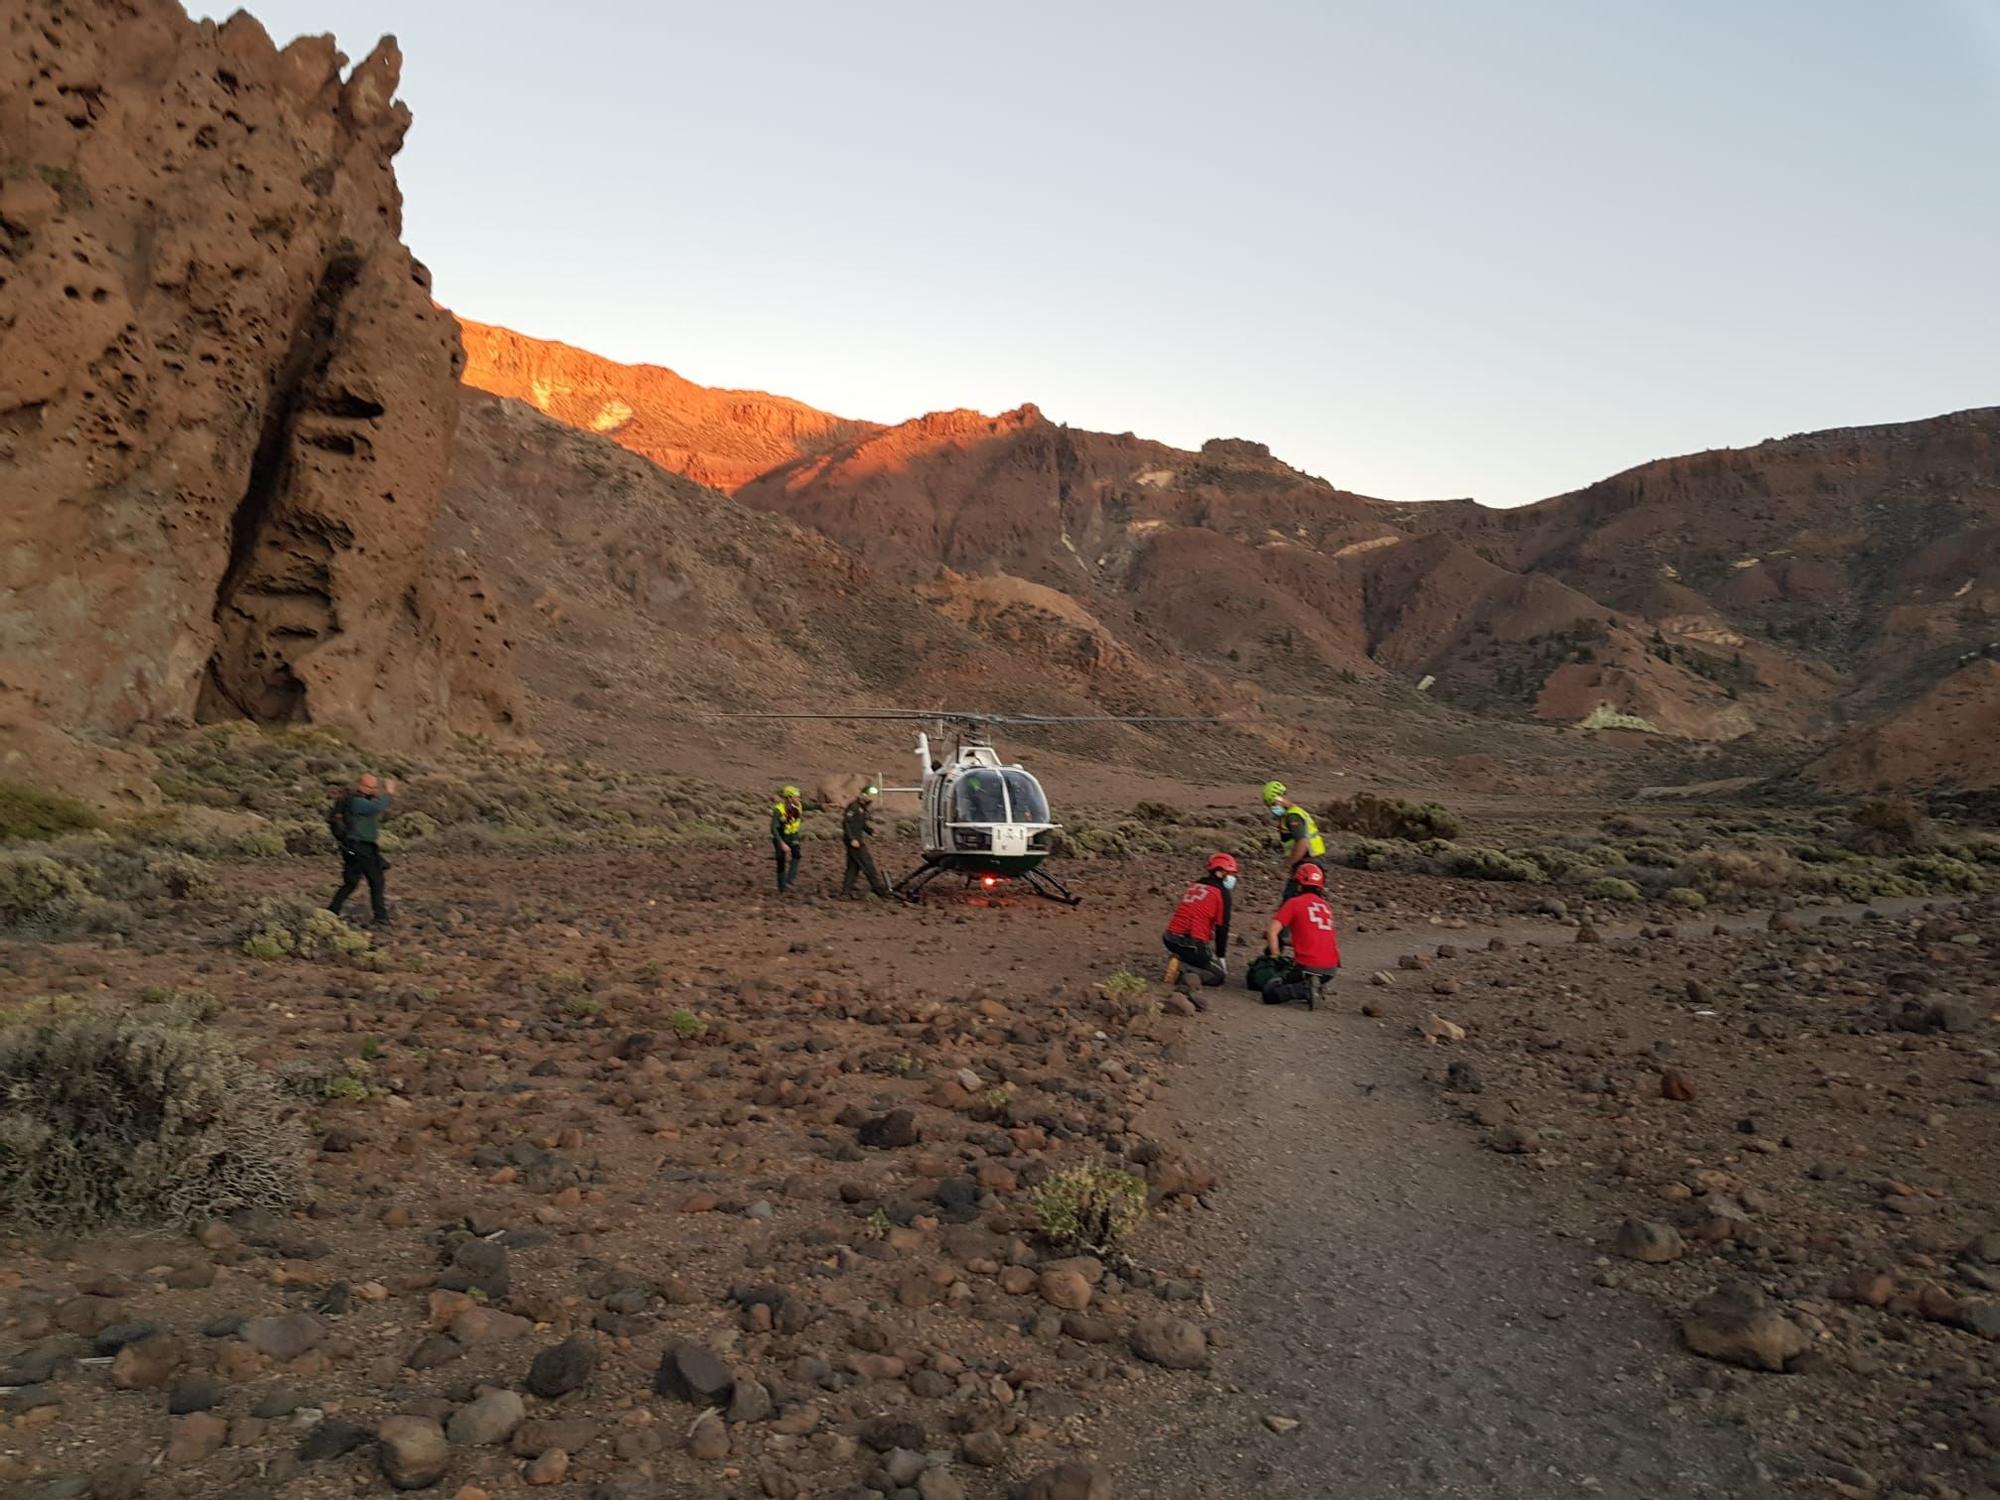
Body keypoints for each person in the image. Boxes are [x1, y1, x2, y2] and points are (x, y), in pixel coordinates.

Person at [1161, 852, 1238, 1004]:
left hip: (1169, 937)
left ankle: (1179, 959)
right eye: (1229, 873)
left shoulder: (1195, 885)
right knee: (1218, 975)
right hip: (1191, 942)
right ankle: (1185, 972)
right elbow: (1222, 928)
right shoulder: (1221, 893)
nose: (1232, 878)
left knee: (1195, 953)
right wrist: (1221, 957)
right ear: (1219, 872)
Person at [1263, 862, 1341, 1008]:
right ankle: (1315, 987)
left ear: (1299, 884)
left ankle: (1304, 990)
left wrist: (1275, 956)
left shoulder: (1294, 903)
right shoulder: (1326, 906)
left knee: (1270, 991)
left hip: (1307, 966)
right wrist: (1288, 942)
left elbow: (1272, 931)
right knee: (1306, 974)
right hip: (1330, 970)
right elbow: (1317, 935)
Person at [328, 772, 398, 925]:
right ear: (360, 785)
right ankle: (381, 917)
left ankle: (332, 910)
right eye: (370, 787)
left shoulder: (355, 800)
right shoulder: (356, 802)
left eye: (374, 787)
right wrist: (389, 792)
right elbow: (376, 808)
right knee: (376, 880)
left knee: (351, 882)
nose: (373, 790)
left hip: (355, 846)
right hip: (360, 846)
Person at [1261, 780, 1327, 901]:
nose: (1272, 808)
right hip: (1313, 864)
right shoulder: (1297, 812)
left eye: (1272, 804)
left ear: (1280, 799)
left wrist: (1286, 866)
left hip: (1307, 865)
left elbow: (1302, 843)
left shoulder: (1292, 817)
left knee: (1291, 902)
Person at [840, 784, 895, 900]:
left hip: (857, 839)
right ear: (863, 795)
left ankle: (846, 892)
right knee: (867, 864)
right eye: (870, 795)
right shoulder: (854, 807)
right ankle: (878, 889)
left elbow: (861, 824)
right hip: (854, 841)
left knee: (853, 866)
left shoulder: (862, 809)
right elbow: (846, 823)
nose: (871, 798)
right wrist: (852, 839)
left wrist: (871, 831)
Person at [770, 785, 808, 893]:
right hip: (781, 838)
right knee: (781, 861)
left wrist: (824, 806)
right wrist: (781, 843)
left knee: (797, 855)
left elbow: (811, 806)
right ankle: (782, 888)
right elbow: (773, 829)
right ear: (789, 798)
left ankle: (789, 881)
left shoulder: (799, 806)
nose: (799, 799)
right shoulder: (779, 810)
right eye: (796, 797)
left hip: (792, 836)